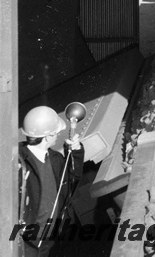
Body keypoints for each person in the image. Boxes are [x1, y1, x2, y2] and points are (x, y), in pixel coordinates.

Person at [18, 106, 84, 257]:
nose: (58, 135)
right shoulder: (18, 163)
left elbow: (72, 181)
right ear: (47, 137)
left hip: (54, 237)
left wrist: (75, 151)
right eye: (55, 133)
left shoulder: (55, 159)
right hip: (28, 244)